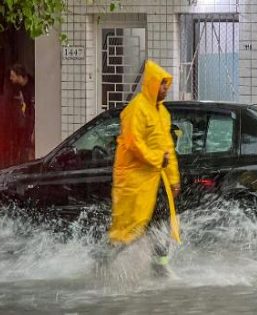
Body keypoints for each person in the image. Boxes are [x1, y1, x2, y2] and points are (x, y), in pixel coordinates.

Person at [96, 60, 181, 277]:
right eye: (162, 84)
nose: (165, 88)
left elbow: (168, 148)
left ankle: (159, 265)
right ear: (152, 84)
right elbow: (134, 144)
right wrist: (156, 159)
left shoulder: (163, 113)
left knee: (162, 224)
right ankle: (103, 262)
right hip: (135, 183)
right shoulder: (136, 109)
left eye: (166, 84)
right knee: (128, 230)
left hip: (156, 181)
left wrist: (173, 179)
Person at [3, 64, 35, 164]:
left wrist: (34, 129)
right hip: (26, 121)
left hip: (32, 122)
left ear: (20, 76)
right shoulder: (19, 87)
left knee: (31, 147)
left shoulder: (32, 87)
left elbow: (34, 107)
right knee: (26, 146)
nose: (10, 78)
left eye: (13, 76)